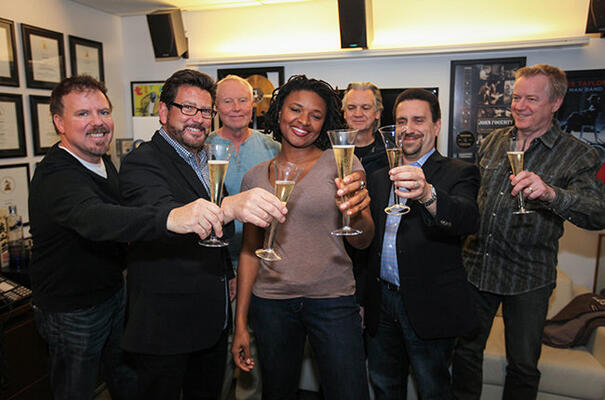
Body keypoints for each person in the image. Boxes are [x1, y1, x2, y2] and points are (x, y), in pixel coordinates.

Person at [28, 75, 225, 400]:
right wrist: (172, 217)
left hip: (113, 295)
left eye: (103, 112)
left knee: (126, 384)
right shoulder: (57, 174)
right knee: (75, 391)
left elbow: (126, 221)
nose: (97, 122)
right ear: (59, 122)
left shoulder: (103, 163)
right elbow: (94, 218)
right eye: (83, 114)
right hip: (71, 309)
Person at [119, 69, 287, 400]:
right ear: (164, 112)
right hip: (165, 327)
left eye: (206, 111)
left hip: (210, 322)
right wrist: (230, 207)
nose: (198, 118)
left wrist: (227, 273)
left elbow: (216, 234)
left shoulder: (206, 159)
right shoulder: (142, 162)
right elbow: (164, 216)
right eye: (188, 108)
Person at [452, 64, 605, 400]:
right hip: (477, 267)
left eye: (531, 99)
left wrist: (551, 194)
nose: (519, 106)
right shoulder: (494, 141)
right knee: (464, 353)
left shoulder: (577, 154)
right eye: (516, 97)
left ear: (556, 103)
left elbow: (598, 213)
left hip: (528, 277)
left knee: (523, 365)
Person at [232, 75, 374, 400]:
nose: (304, 121)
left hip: (332, 300)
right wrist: (241, 323)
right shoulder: (254, 176)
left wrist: (355, 214)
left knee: (349, 393)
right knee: (277, 393)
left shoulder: (343, 163)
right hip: (271, 303)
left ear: (325, 123)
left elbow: (363, 240)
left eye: (316, 115)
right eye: (296, 109)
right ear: (279, 112)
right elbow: (250, 251)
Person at [364, 88, 480, 399]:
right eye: (402, 121)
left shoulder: (460, 171)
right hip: (382, 303)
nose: (408, 129)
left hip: (430, 305)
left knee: (433, 390)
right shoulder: (378, 176)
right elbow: (369, 246)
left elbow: (467, 220)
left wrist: (428, 194)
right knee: (384, 386)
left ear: (437, 125)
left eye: (418, 120)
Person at [206, 74, 280, 400]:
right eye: (227, 101)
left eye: (242, 100)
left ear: (254, 104)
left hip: (262, 265)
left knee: (256, 344)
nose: (236, 108)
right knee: (217, 350)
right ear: (215, 107)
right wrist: (227, 271)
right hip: (213, 267)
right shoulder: (202, 147)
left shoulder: (272, 148)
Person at [342, 82, 388, 175]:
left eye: (365, 108)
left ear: (377, 113)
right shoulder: (331, 152)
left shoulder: (389, 152)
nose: (358, 114)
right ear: (345, 113)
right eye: (351, 108)